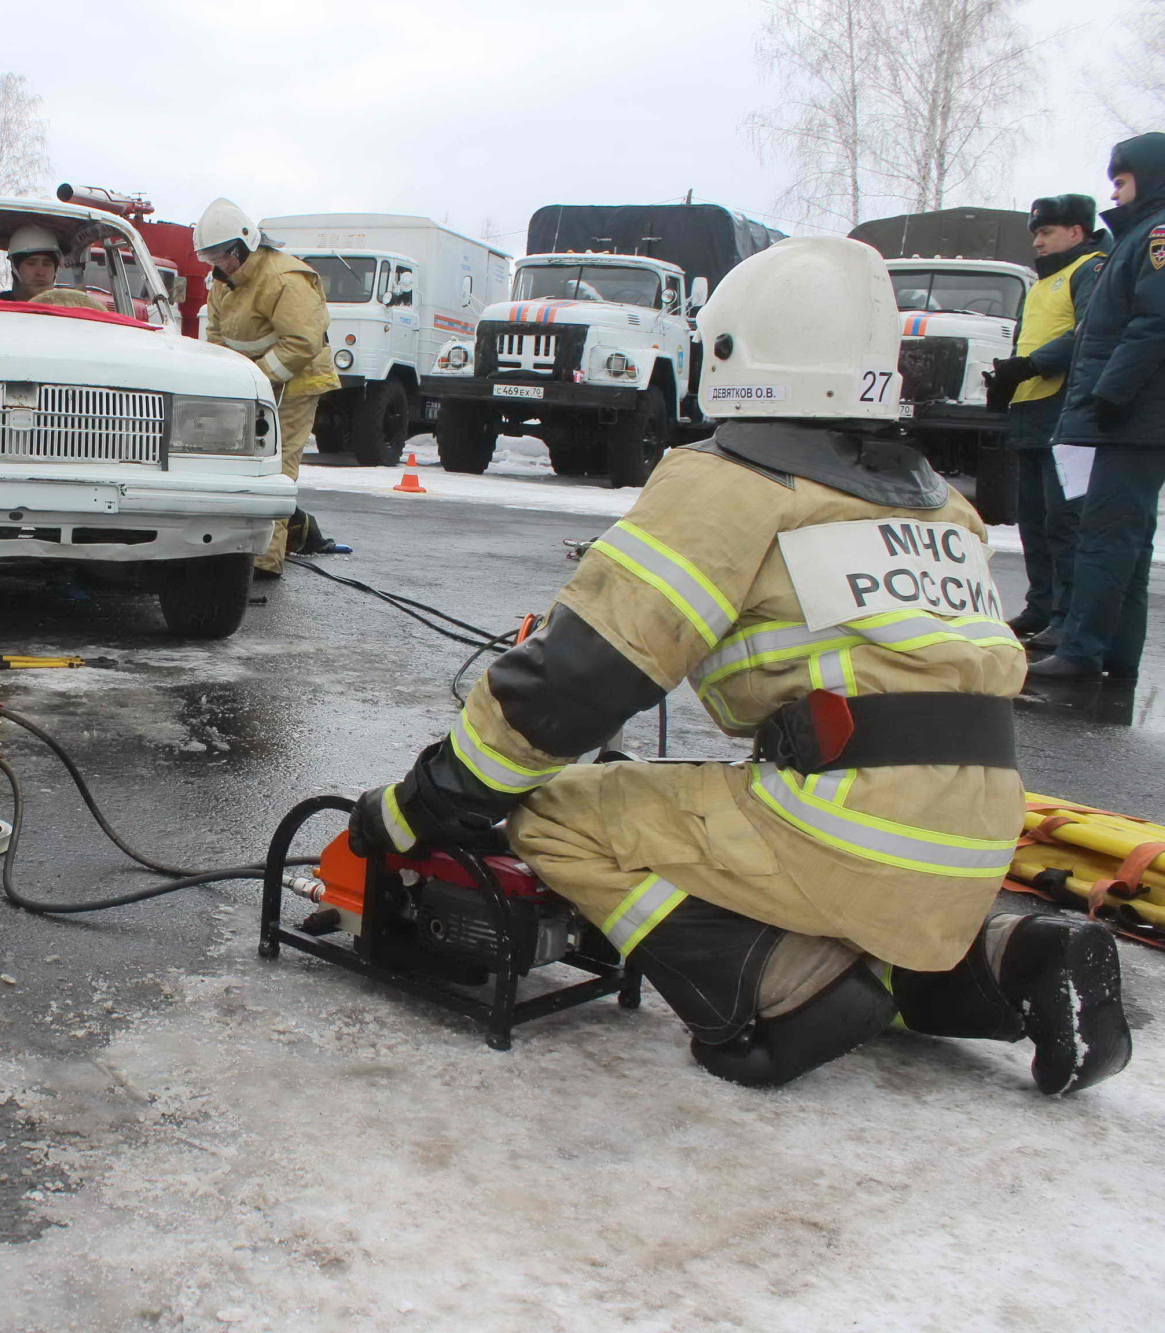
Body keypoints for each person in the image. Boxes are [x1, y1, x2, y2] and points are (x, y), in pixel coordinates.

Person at [347, 236, 1129, 1095]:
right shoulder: (947, 505)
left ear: (730, 352)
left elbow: (574, 684)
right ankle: (1020, 957)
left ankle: (780, 990)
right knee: (854, 899)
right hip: (975, 833)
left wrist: (430, 800)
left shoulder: (732, 481)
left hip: (848, 822)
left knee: (561, 814)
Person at [1029, 132, 1165, 683]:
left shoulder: (1156, 235)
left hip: (1132, 418)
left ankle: (1083, 652)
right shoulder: (1135, 239)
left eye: (1121, 179)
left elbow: (1154, 323)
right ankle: (1114, 655)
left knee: (1106, 537)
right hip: (1132, 416)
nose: (1115, 191)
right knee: (1125, 543)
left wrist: (1110, 393)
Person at [195, 198, 345, 576]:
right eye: (210, 257)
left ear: (245, 244)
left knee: (277, 467)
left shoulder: (284, 279)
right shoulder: (223, 281)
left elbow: (301, 344)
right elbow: (217, 335)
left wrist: (255, 378)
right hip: (254, 384)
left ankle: (264, 562)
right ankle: (230, 548)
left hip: (296, 383)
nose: (218, 265)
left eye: (223, 255)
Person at [985, 196, 1109, 649]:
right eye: (1036, 234)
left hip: (1065, 414)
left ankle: (1066, 615)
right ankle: (1041, 607)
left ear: (1075, 232)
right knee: (1033, 521)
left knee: (1064, 521)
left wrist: (1032, 364)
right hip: (1032, 413)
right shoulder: (1042, 283)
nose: (1037, 241)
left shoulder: (1090, 270)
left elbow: (1088, 335)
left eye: (1046, 233)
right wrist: (1006, 381)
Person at [0, 226, 63, 301]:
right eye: (31, 263)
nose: (40, 272)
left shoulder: (67, 307)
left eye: (47, 264)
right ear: (15, 267)